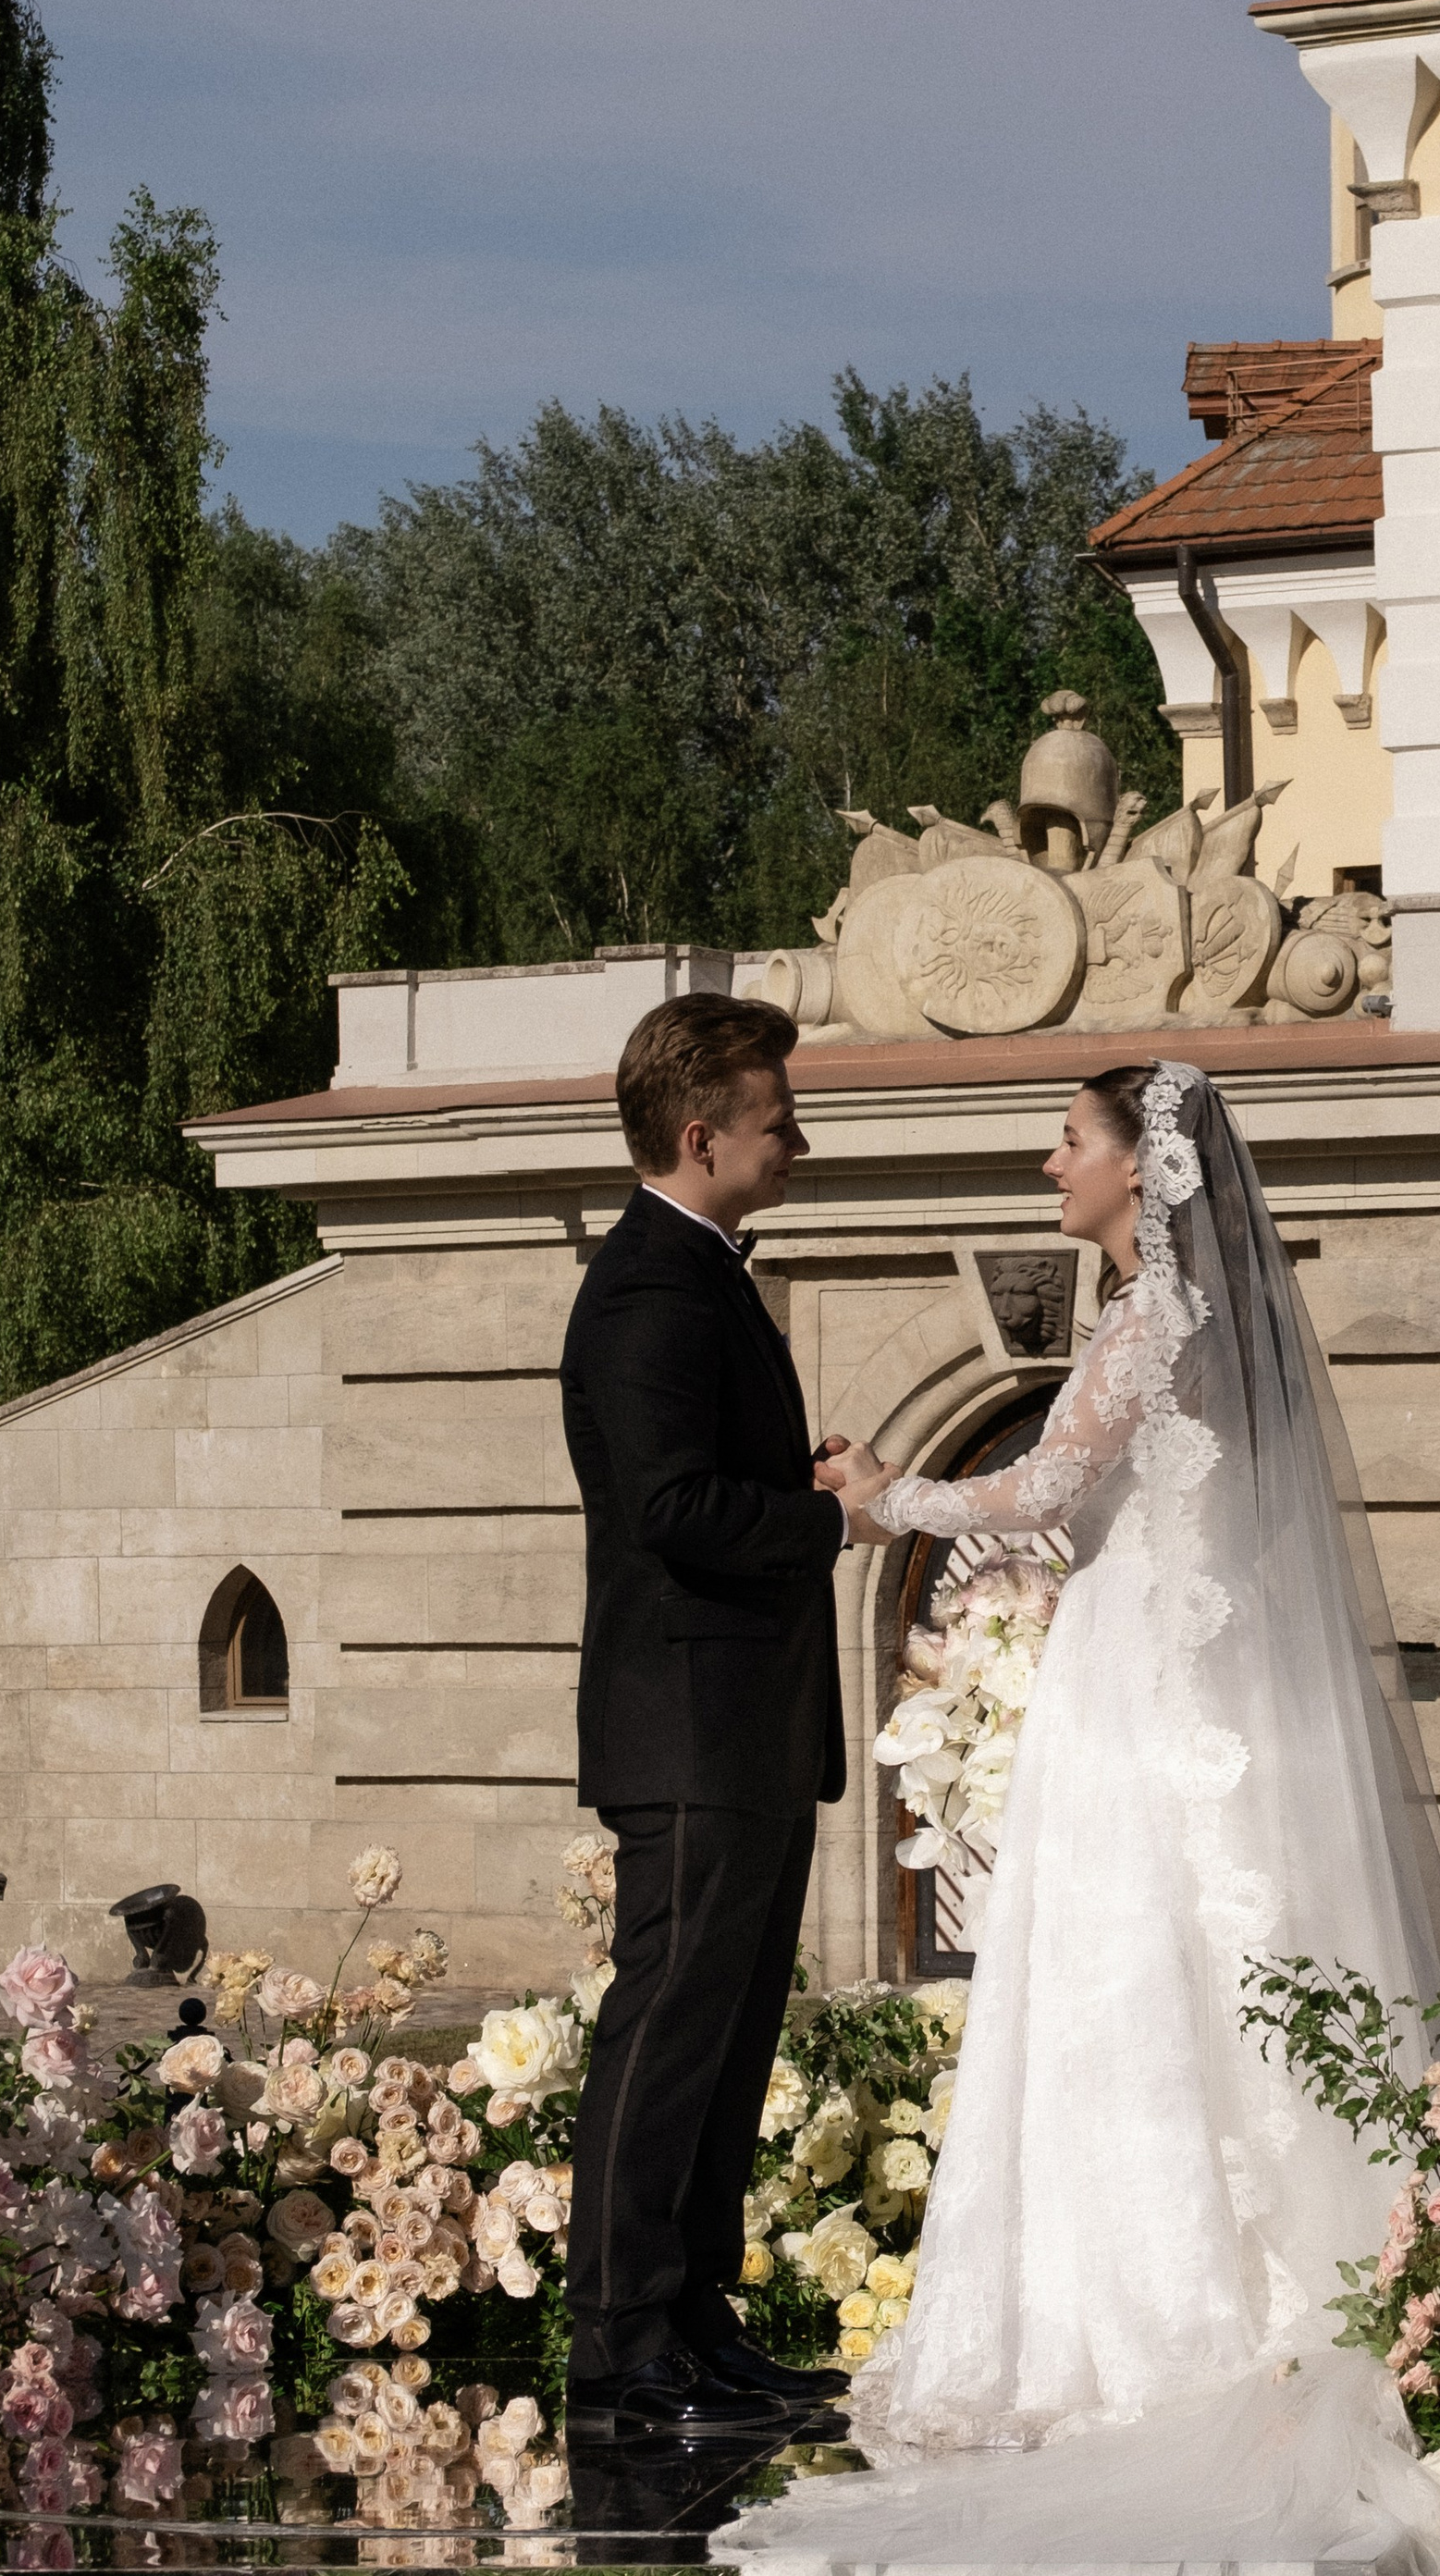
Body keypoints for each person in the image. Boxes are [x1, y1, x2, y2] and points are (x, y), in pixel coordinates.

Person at [723, 1060, 1440, 2574]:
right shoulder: (1186, 1324)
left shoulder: (1155, 1320)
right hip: (1171, 1672)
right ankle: (1258, 2297)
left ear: (1136, 1171)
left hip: (1138, 1697)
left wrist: (890, 1498)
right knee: (1188, 1987)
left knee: (1123, 1982)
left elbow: (1042, 1488)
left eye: (1067, 1142)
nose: (1048, 1165)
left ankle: (1147, 2340)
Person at [560, 992, 860, 2451]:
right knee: (670, 2028)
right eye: (776, 1121)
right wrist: (820, 1513)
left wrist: (796, 1481)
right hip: (685, 1726)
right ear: (702, 1136)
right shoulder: (646, 1290)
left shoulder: (706, 1279)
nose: (795, 1142)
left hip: (736, 1725)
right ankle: (621, 2344)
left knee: (730, 2037)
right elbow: (669, 1509)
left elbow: (693, 1478)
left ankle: (695, 2322)